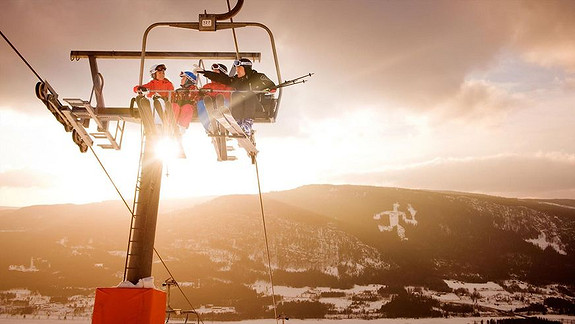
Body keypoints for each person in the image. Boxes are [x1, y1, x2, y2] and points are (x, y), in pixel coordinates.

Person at [199, 58, 276, 136]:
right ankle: (237, 123)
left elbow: (272, 85)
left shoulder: (258, 77)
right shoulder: (236, 80)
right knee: (236, 94)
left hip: (256, 106)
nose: (237, 70)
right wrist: (206, 73)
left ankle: (247, 124)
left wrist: (270, 88)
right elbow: (222, 78)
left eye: (239, 68)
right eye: (236, 68)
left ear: (246, 68)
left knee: (249, 94)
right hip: (242, 107)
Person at [196, 63, 234, 132]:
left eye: (216, 72)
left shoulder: (227, 84)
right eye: (213, 72)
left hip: (222, 102)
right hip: (210, 104)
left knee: (223, 102)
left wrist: (214, 97)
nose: (213, 74)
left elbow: (227, 94)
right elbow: (199, 97)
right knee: (200, 103)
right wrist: (201, 94)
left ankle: (223, 123)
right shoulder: (207, 86)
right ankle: (209, 126)